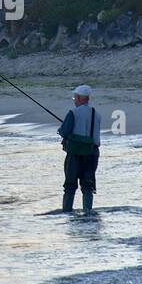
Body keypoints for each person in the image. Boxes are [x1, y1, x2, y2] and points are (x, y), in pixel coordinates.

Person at [57, 84, 101, 213]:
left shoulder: (73, 113)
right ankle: (88, 213)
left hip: (75, 154)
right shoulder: (96, 114)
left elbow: (64, 132)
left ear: (80, 98)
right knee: (88, 186)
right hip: (92, 153)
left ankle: (67, 213)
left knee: (70, 186)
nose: (74, 100)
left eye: (74, 98)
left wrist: (61, 130)